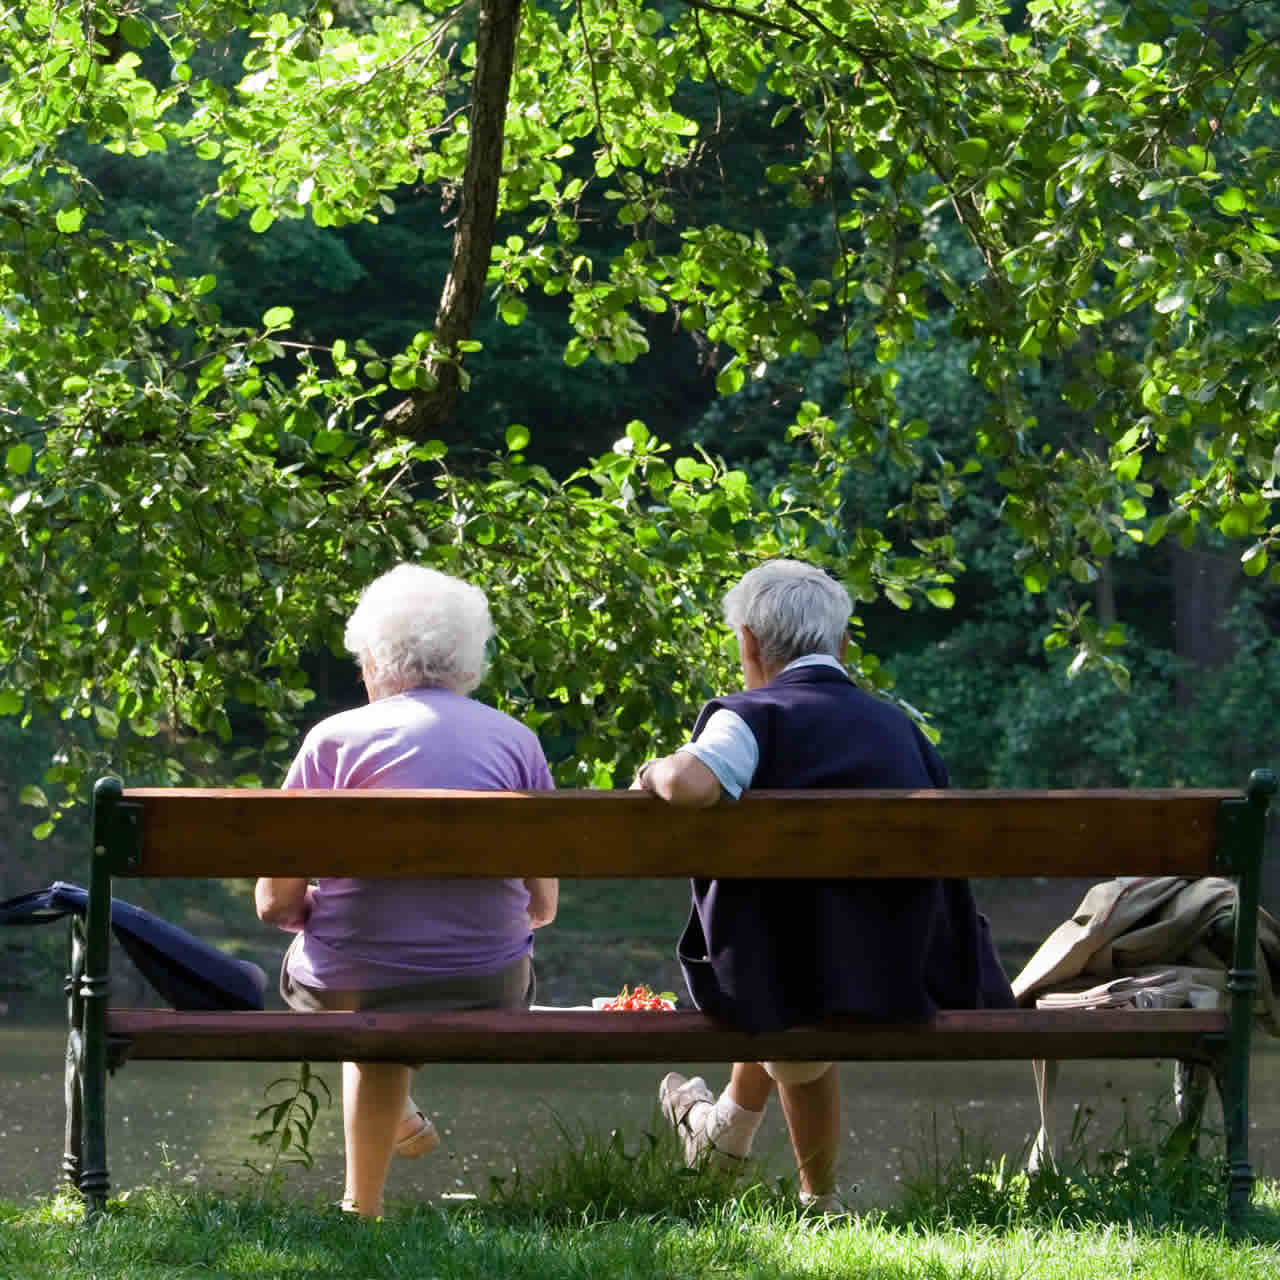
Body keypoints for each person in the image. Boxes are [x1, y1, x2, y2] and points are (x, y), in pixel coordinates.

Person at [632, 559, 1013, 1213]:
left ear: (749, 644)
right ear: (843, 647)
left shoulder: (750, 717)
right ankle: (736, 1144)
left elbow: (691, 787)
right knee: (806, 934)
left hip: (781, 977)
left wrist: (653, 769)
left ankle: (802, 1189)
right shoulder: (900, 729)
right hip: (900, 970)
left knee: (784, 957)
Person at [255, 563, 557, 1218]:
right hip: (490, 984)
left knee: (359, 976)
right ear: (468, 661)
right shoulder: (518, 742)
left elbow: (275, 903)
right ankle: (374, 1167)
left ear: (376, 660)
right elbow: (544, 905)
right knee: (387, 976)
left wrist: (314, 912)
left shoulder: (331, 740)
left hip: (347, 984)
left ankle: (361, 1205)